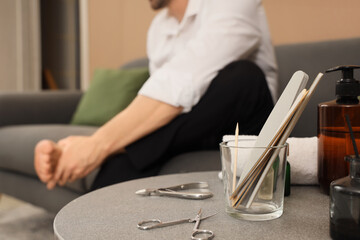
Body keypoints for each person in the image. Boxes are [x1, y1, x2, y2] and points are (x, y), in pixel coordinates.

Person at [34, 0, 278, 190]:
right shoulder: (159, 29)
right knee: (138, 147)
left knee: (245, 76)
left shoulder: (233, 3)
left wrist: (98, 144)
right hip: (189, 126)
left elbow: (180, 83)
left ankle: (112, 148)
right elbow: (162, 101)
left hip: (242, 124)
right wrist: (108, 143)